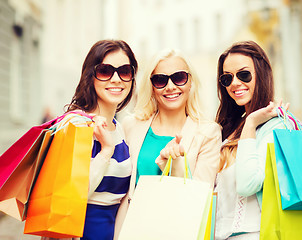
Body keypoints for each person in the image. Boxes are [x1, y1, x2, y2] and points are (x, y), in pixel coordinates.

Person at [116, 49, 222, 233]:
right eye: (160, 80)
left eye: (179, 77)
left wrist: (175, 163)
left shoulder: (208, 133)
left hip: (178, 230)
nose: (170, 86)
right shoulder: (130, 126)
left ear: (190, 82)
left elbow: (200, 196)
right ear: (151, 86)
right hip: (132, 227)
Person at [42, 39, 137, 240]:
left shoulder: (119, 129)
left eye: (125, 71)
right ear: (90, 76)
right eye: (105, 71)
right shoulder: (75, 124)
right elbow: (70, 197)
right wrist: (105, 151)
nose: (116, 79)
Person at [214, 41, 290, 240]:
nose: (235, 83)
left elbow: (247, 185)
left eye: (243, 74)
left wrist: (251, 123)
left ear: (261, 74)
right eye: (227, 78)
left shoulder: (276, 127)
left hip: (257, 234)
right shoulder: (230, 129)